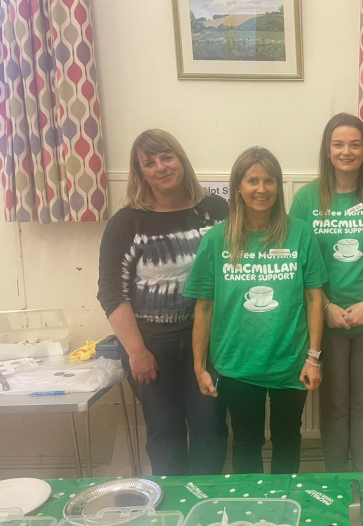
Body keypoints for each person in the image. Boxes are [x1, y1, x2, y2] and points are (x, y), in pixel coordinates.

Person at [185, 146, 327, 474]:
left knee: (288, 438)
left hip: (290, 362)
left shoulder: (301, 233)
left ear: (278, 186)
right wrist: (199, 367)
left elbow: (314, 299)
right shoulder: (217, 239)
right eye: (252, 181)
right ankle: (250, 512)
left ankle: (284, 509)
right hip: (236, 365)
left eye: (269, 181)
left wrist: (313, 357)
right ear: (238, 187)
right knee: (246, 442)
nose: (261, 189)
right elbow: (203, 308)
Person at [96, 129, 228, 476]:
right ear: (140, 174)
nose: (160, 167)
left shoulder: (215, 211)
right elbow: (111, 292)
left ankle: (207, 507)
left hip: (208, 341)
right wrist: (136, 352)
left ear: (180, 159)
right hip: (150, 345)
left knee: (210, 429)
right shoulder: (127, 222)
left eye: (166, 157)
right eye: (149, 163)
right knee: (165, 433)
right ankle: (173, 511)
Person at [289, 113, 363, 472]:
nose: (346, 151)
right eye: (338, 144)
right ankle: (336, 485)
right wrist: (328, 305)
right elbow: (300, 264)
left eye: (354, 144)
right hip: (325, 319)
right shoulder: (306, 199)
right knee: (333, 406)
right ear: (327, 149)